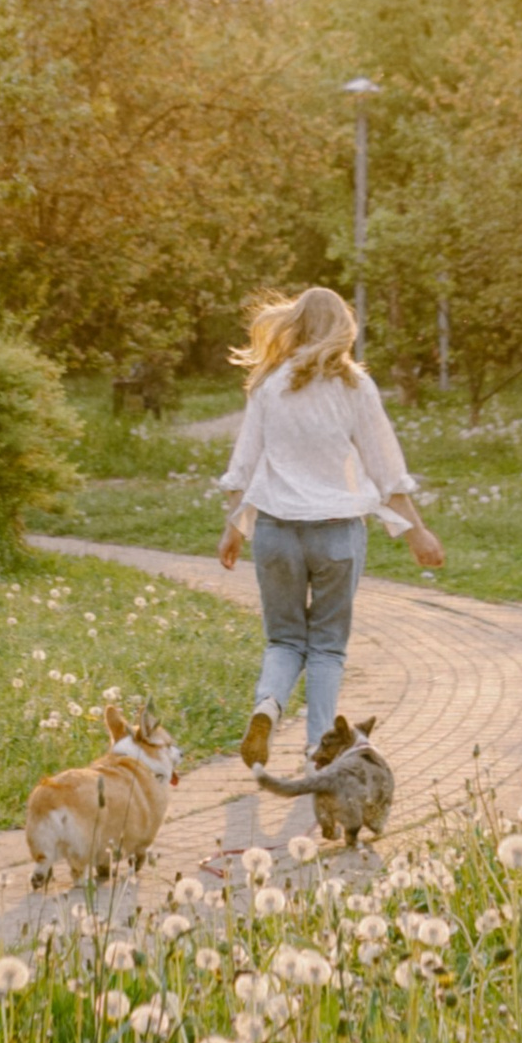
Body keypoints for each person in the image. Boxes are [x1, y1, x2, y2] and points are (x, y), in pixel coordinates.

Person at [215, 286, 444, 767]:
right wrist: (417, 532)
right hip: (338, 533)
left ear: (295, 325)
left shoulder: (269, 384)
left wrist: (234, 528)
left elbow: (243, 465)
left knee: (283, 639)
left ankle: (267, 705)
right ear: (344, 328)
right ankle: (317, 744)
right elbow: (386, 469)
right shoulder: (356, 386)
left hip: (276, 532)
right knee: (326, 646)